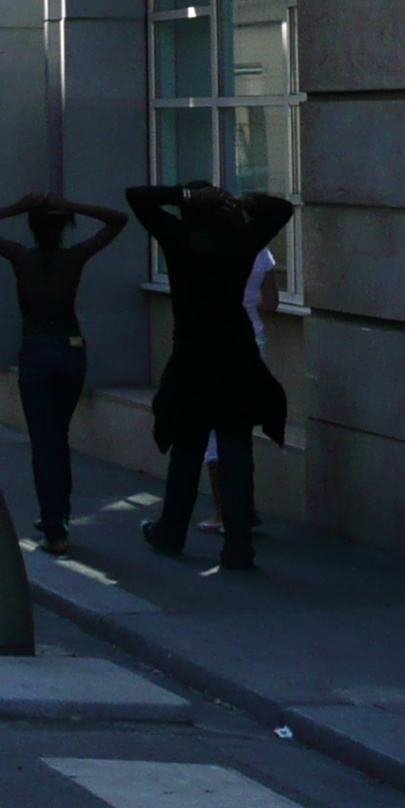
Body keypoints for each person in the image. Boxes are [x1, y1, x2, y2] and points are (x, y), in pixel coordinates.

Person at [127, 182, 296, 570]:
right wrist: (242, 198)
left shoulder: (179, 239)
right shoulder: (241, 241)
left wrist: (184, 195)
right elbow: (282, 208)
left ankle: (170, 532)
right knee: (237, 450)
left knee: (186, 451)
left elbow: (137, 196)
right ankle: (238, 546)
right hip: (236, 354)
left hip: (192, 355)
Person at [0, 193, 130, 552]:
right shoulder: (74, 258)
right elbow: (118, 219)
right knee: (59, 437)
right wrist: (76, 205)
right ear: (63, 227)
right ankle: (59, 516)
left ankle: (54, 526)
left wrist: (17, 205)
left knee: (45, 442)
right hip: (71, 350)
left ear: (33, 228)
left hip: (36, 351)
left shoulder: (22, 257)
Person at [205, 243, 281, 537]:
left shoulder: (209, 249)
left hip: (217, 345)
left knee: (215, 432)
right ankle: (245, 508)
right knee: (241, 429)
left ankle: (223, 513)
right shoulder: (261, 252)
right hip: (253, 342)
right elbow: (272, 303)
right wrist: (249, 300)